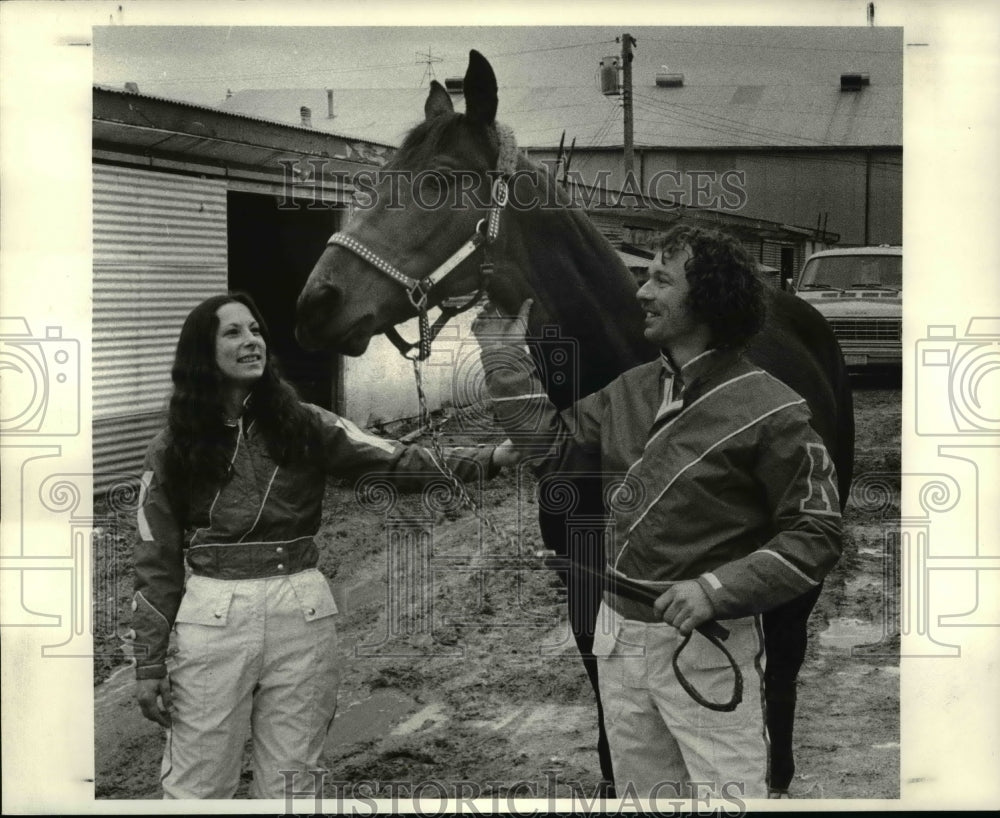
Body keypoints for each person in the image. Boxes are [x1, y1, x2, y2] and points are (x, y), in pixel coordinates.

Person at [472, 226, 842, 802]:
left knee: (729, 800)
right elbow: (551, 453)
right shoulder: (628, 390)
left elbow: (817, 531)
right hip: (619, 641)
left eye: (661, 280)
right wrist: (502, 359)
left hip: (707, 645)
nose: (641, 293)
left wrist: (717, 589)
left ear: (710, 301)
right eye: (645, 277)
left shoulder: (773, 409)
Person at [131, 292, 519, 799]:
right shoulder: (171, 447)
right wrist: (149, 663)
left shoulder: (304, 423)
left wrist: (491, 456)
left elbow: (394, 460)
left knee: (295, 781)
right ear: (202, 353)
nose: (252, 342)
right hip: (212, 617)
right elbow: (154, 559)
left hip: (302, 611)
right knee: (196, 785)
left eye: (256, 330)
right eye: (233, 333)